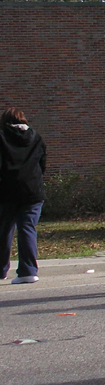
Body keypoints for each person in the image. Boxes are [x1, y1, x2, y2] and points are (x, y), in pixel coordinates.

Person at [0, 108, 47, 284]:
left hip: (6, 191)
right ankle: (28, 271)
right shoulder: (36, 138)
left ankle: (1, 270)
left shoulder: (2, 136)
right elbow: (43, 164)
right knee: (27, 228)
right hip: (33, 191)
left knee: (4, 231)